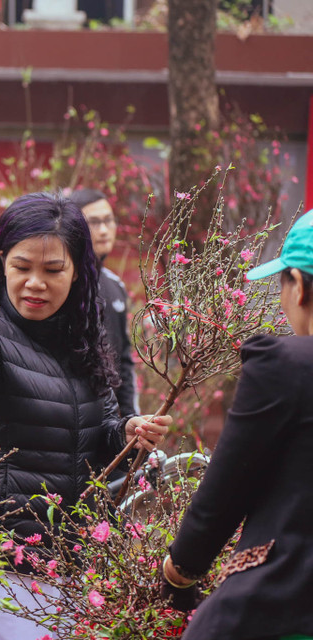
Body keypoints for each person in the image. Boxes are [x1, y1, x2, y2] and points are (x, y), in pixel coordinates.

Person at [0, 193, 171, 640]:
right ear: (2, 262)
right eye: (22, 267)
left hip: (67, 560)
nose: (36, 283)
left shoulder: (82, 336)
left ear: (77, 271)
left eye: (53, 270)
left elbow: (103, 432)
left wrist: (130, 433)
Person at [159, 209, 313, 640]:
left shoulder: (287, 365)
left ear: (298, 286)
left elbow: (224, 492)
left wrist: (179, 571)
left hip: (285, 607)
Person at [69, 188, 138, 417]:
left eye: (109, 221)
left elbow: (124, 363)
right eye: (94, 222)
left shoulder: (114, 285)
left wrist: (130, 420)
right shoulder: (63, 283)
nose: (104, 230)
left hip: (114, 426)